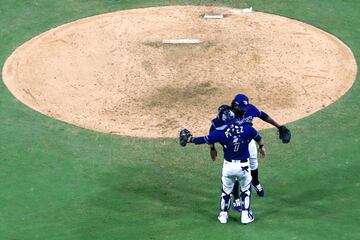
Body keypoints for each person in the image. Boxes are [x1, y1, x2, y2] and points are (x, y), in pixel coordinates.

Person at [179, 107, 266, 224]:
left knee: (226, 192)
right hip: (244, 167)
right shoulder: (247, 128)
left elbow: (204, 139)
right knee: (246, 190)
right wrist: (261, 147)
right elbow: (259, 138)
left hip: (228, 167)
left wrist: (189, 139)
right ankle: (245, 216)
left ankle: (223, 215)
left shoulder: (220, 132)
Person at [209, 94, 291, 203]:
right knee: (237, 170)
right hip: (232, 145)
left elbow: (264, 116)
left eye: (245, 108)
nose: (244, 111)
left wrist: (279, 126)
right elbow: (212, 129)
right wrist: (212, 147)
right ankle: (236, 198)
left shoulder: (250, 109)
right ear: (235, 104)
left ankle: (255, 182)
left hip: (248, 140)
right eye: (241, 108)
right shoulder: (227, 114)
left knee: (253, 164)